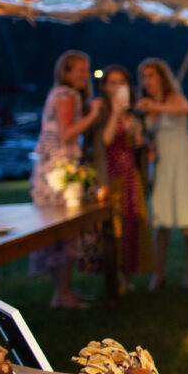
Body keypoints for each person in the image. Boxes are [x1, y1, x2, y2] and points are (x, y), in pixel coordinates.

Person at [30, 50, 104, 308]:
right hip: (59, 173)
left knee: (60, 233)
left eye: (87, 70)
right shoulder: (66, 94)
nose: (85, 75)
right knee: (65, 231)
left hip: (53, 169)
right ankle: (62, 294)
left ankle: (63, 291)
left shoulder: (60, 94)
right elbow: (66, 133)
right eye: (81, 70)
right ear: (66, 73)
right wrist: (93, 114)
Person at [136, 58, 188, 290]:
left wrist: (154, 108)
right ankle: (158, 273)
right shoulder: (144, 105)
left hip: (182, 160)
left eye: (151, 75)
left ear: (161, 77)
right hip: (163, 164)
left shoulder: (173, 99)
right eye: (144, 76)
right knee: (161, 219)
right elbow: (148, 136)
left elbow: (185, 108)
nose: (147, 81)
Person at [90, 66, 153, 285]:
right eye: (113, 82)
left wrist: (138, 136)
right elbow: (104, 141)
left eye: (122, 82)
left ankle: (128, 273)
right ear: (105, 86)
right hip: (110, 176)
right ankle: (113, 273)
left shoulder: (134, 113)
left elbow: (139, 146)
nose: (118, 87)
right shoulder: (101, 111)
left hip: (130, 176)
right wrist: (116, 113)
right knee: (113, 225)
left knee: (132, 222)